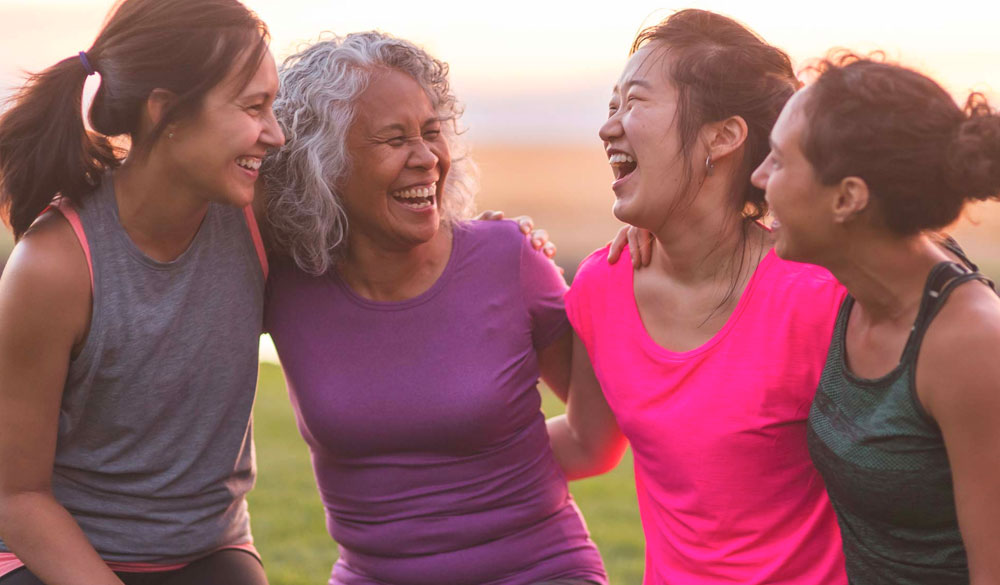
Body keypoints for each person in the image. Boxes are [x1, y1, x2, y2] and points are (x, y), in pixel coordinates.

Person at [262, 32, 606, 585]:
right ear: (322, 165)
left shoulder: (510, 258)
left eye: (431, 132)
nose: (426, 159)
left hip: (536, 570)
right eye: (393, 139)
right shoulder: (284, 281)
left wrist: (491, 479)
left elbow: (597, 441)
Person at [546, 10, 848, 584]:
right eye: (611, 108)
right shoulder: (601, 286)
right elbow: (588, 441)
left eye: (633, 103)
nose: (608, 128)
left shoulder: (817, 298)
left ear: (723, 136)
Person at [0, 1, 284, 583]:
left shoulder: (261, 220)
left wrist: (497, 245)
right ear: (164, 113)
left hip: (211, 553)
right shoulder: (54, 265)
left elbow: (383, 265)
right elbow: (15, 494)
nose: (275, 134)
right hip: (51, 556)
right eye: (254, 107)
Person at [750, 54, 1000, 584]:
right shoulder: (862, 282)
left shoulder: (971, 344)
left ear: (847, 199)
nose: (758, 176)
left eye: (777, 159)